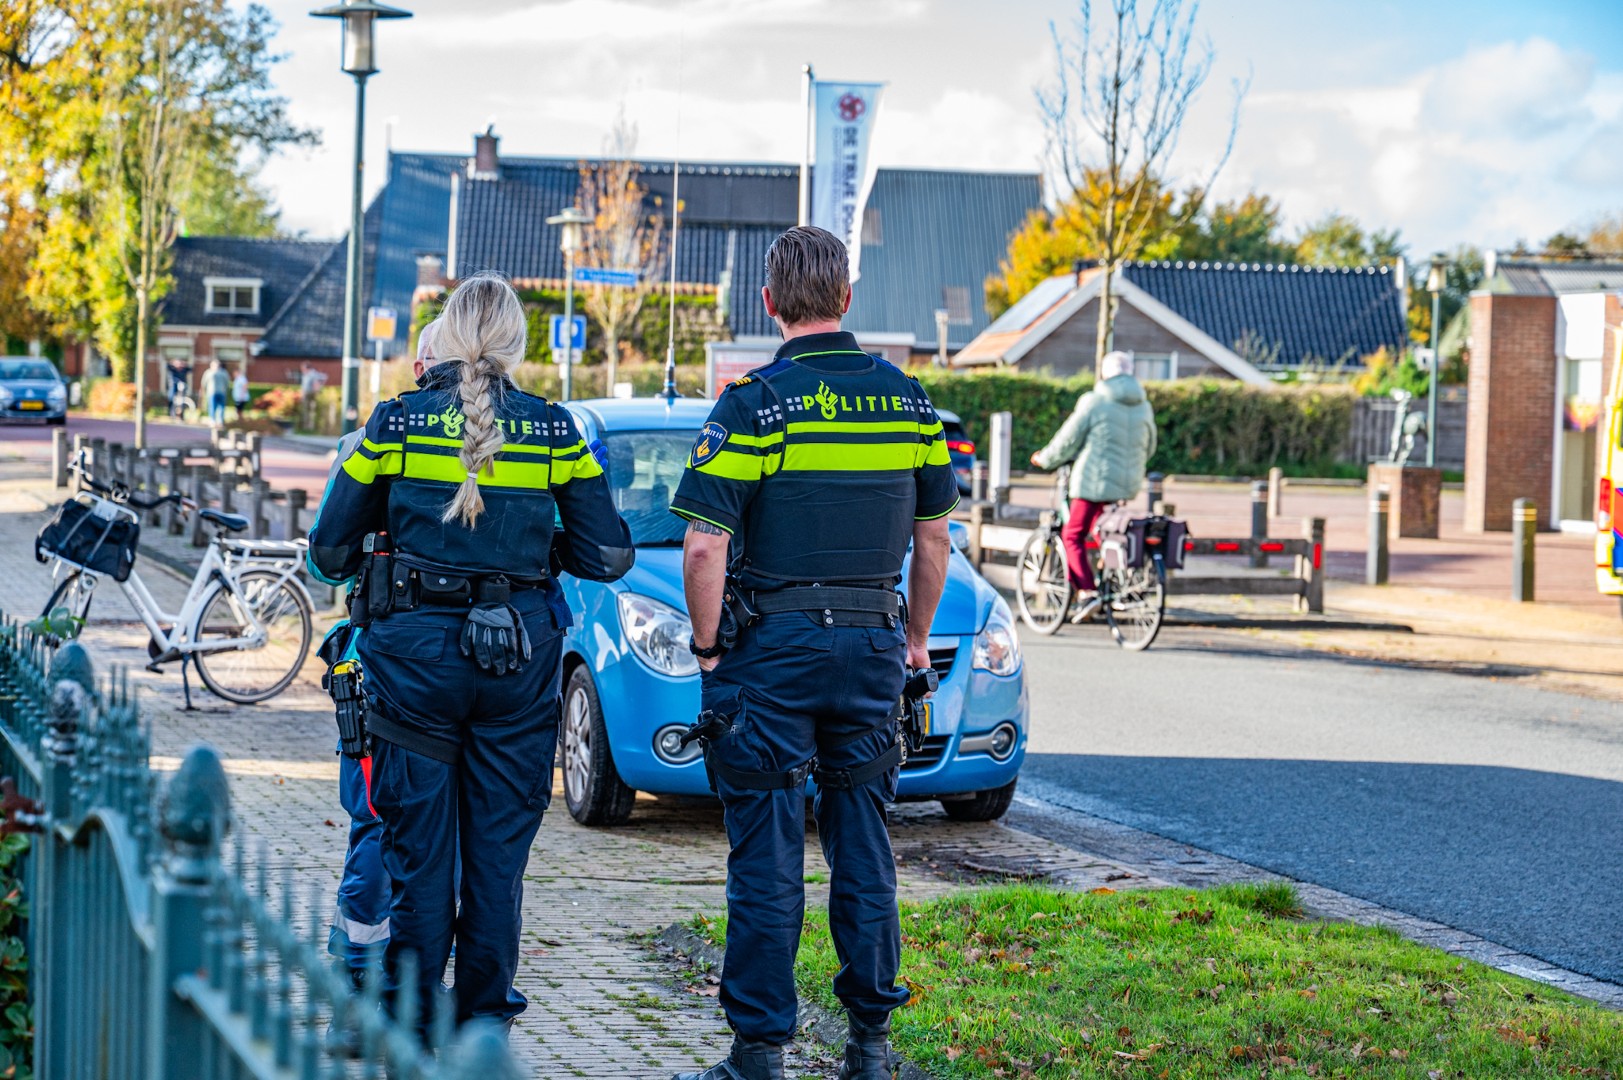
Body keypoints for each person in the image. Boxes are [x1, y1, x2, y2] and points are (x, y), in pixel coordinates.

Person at [307, 275, 633, 1037]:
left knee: (417, 858)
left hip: (411, 668)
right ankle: (485, 1026)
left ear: (444, 338)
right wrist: (530, 557)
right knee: (496, 861)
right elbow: (610, 555)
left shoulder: (392, 423)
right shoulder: (556, 432)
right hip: (516, 668)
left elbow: (326, 554)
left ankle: (414, 1028)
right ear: (518, 344)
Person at [669, 226, 957, 1080]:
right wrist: (910, 643)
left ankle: (758, 1054)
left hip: (770, 653)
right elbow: (934, 542)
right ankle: (869, 1048)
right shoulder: (909, 403)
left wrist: (709, 650)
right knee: (862, 844)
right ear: (846, 299)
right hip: (871, 646)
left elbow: (701, 550)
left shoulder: (754, 404)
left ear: (768, 303)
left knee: (764, 854)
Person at [307, 319, 444, 992]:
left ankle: (357, 983)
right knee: (396, 828)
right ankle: (373, 982)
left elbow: (327, 563)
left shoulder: (367, 445)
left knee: (374, 822)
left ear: (420, 365)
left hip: (378, 659)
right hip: (431, 668)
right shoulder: (497, 446)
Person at [1029, 349, 1157, 617]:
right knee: (1106, 530)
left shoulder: (1095, 400)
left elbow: (1068, 440)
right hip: (1128, 481)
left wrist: (1045, 458)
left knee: (1072, 534)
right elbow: (1151, 445)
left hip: (1093, 481)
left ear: (1104, 374)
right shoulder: (1143, 405)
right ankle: (1121, 579)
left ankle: (1087, 593)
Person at [203, 358, 230, 426]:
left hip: (218, 392)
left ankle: (218, 420)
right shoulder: (223, 372)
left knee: (219, 407)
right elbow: (227, 383)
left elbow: (204, 383)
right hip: (214, 392)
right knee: (213, 406)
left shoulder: (210, 372)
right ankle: (214, 420)